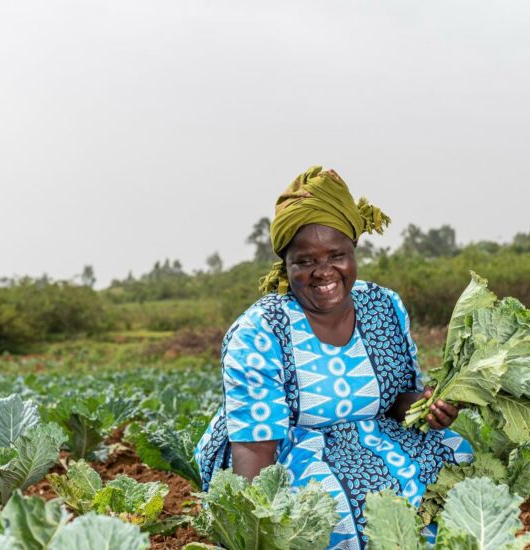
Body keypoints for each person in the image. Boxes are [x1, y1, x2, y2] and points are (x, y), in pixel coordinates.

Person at [195, 166, 473, 549]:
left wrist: (426, 407)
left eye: (336, 255)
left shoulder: (383, 306)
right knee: (337, 502)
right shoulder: (261, 330)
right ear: (286, 266)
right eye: (305, 261)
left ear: (353, 252)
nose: (323, 272)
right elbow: (256, 446)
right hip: (285, 452)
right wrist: (251, 528)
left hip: (372, 437)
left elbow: (399, 399)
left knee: (456, 460)